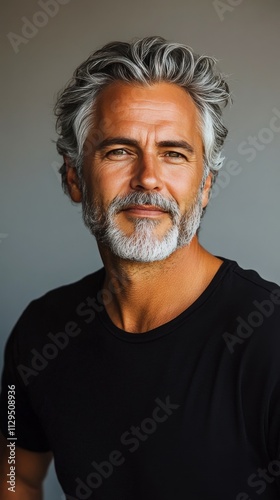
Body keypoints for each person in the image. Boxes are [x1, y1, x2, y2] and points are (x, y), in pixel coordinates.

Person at [0, 36, 280, 500]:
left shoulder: (269, 337)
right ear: (73, 177)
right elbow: (14, 474)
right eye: (119, 151)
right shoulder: (39, 332)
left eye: (174, 153)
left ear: (205, 185)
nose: (148, 177)